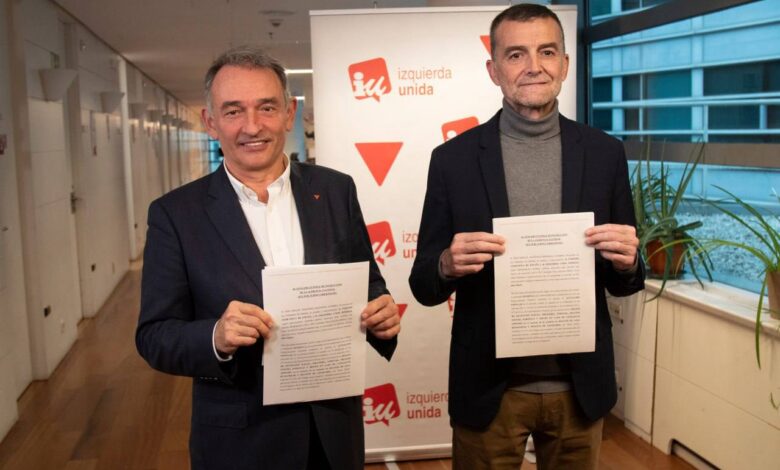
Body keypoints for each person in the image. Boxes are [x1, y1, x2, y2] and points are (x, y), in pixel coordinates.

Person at [136, 46, 401, 470]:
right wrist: (216, 336)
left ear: (289, 113)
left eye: (266, 107)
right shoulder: (175, 215)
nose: (252, 126)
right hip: (241, 443)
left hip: (333, 434)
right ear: (210, 122)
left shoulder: (336, 191)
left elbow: (368, 283)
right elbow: (154, 336)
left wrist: (380, 314)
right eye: (233, 111)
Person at [408, 4, 644, 469]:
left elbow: (627, 281)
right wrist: (446, 264)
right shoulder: (453, 160)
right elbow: (423, 285)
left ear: (565, 65)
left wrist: (628, 261)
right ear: (494, 70)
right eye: (516, 54)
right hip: (489, 390)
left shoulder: (605, 154)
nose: (534, 66)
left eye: (547, 52)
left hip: (579, 387)